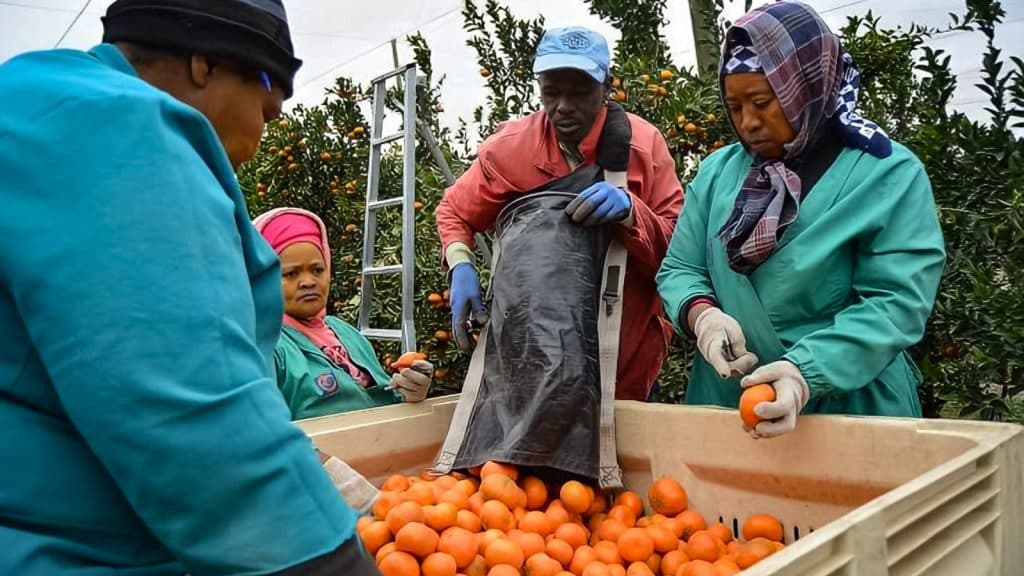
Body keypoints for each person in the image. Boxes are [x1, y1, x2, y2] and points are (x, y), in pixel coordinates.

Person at [0, 1, 378, 574]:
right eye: (266, 111)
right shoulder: (116, 128)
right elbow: (194, 415)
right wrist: (328, 559)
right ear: (205, 63)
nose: (255, 142)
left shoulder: (38, 102)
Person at [656, 1, 946, 439]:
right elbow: (681, 268)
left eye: (762, 102)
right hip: (730, 401)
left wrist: (803, 372)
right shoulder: (719, 173)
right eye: (734, 107)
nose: (748, 123)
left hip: (848, 409)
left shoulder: (884, 174)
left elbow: (894, 303)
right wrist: (703, 317)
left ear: (805, 86)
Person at [435, 26, 685, 401]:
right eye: (552, 92)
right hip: (533, 357)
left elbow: (679, 253)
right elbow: (455, 211)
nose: (564, 106)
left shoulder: (642, 147)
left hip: (624, 358)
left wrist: (634, 214)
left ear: (607, 87)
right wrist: (461, 265)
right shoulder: (510, 150)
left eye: (580, 92)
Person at [253, 207, 433, 419]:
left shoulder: (345, 333)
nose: (309, 282)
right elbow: (262, 432)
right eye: (291, 273)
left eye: (317, 270)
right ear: (262, 278)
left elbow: (381, 403)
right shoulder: (266, 347)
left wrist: (409, 390)